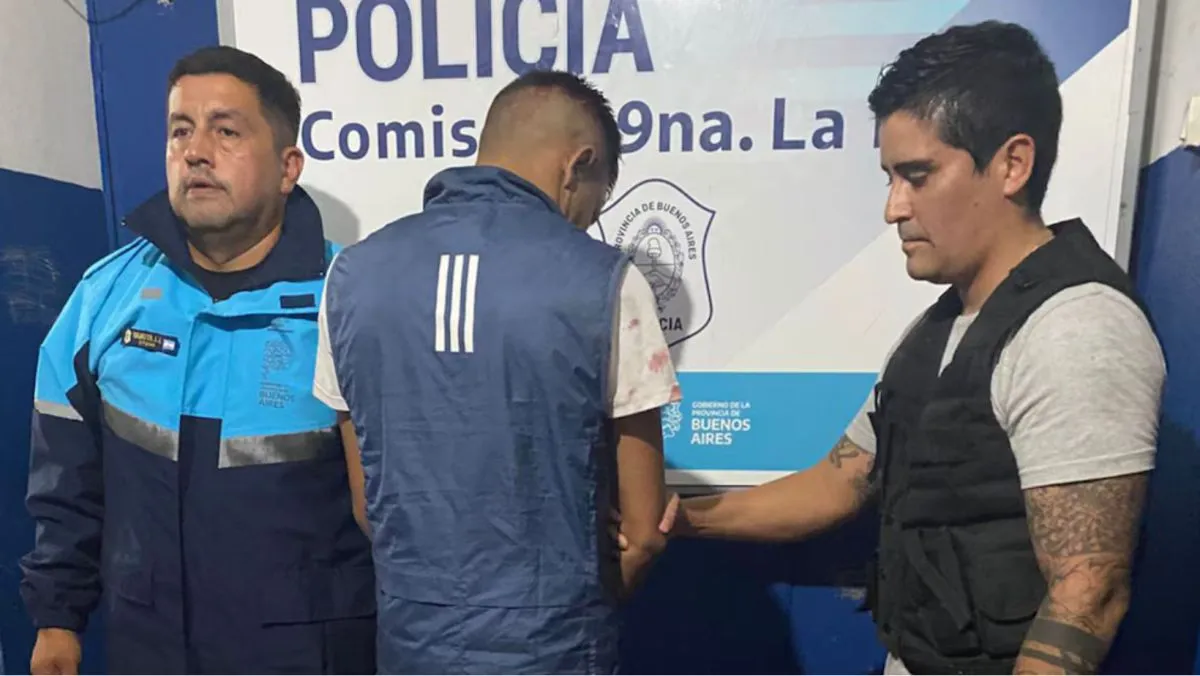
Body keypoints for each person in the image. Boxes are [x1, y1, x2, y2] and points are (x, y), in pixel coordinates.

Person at [660, 21, 1165, 675]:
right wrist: (678, 519)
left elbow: (1088, 593)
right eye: (890, 178)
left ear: (1013, 164)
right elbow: (838, 483)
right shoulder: (937, 328)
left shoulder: (1075, 330)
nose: (893, 208)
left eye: (917, 175)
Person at [21, 46, 375, 674]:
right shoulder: (106, 297)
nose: (195, 152)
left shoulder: (352, 304)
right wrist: (57, 618)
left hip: (307, 657)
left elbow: (403, 514)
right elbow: (67, 484)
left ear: (288, 167)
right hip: (149, 650)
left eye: (226, 131)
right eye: (180, 130)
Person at [313, 69, 678, 674]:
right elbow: (643, 532)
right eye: (594, 203)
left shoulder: (349, 277)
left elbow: (368, 507)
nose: (585, 223)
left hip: (411, 648)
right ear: (578, 164)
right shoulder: (607, 279)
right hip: (555, 648)